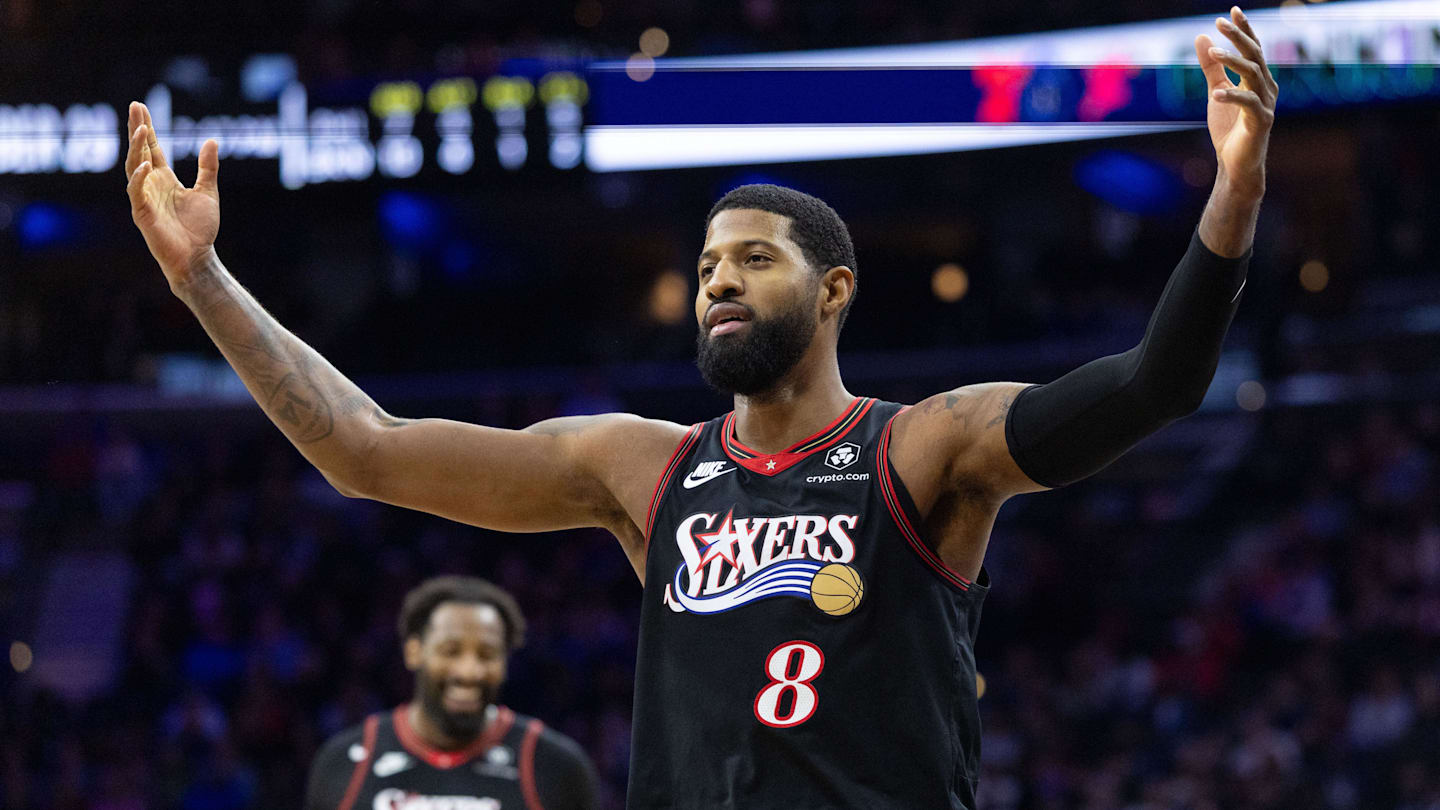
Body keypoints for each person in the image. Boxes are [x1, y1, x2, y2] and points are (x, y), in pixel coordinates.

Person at [123, 9, 1276, 808]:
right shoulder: (644, 467)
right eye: (710, 261)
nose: (719, 277)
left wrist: (1234, 190)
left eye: (755, 258)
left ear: (833, 292)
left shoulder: (925, 444)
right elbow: (366, 452)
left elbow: (1153, 384)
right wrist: (202, 283)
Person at [303, 576, 598, 810]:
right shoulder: (344, 761)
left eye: (487, 654)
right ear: (414, 652)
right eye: (451, 651)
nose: (469, 672)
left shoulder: (554, 765)